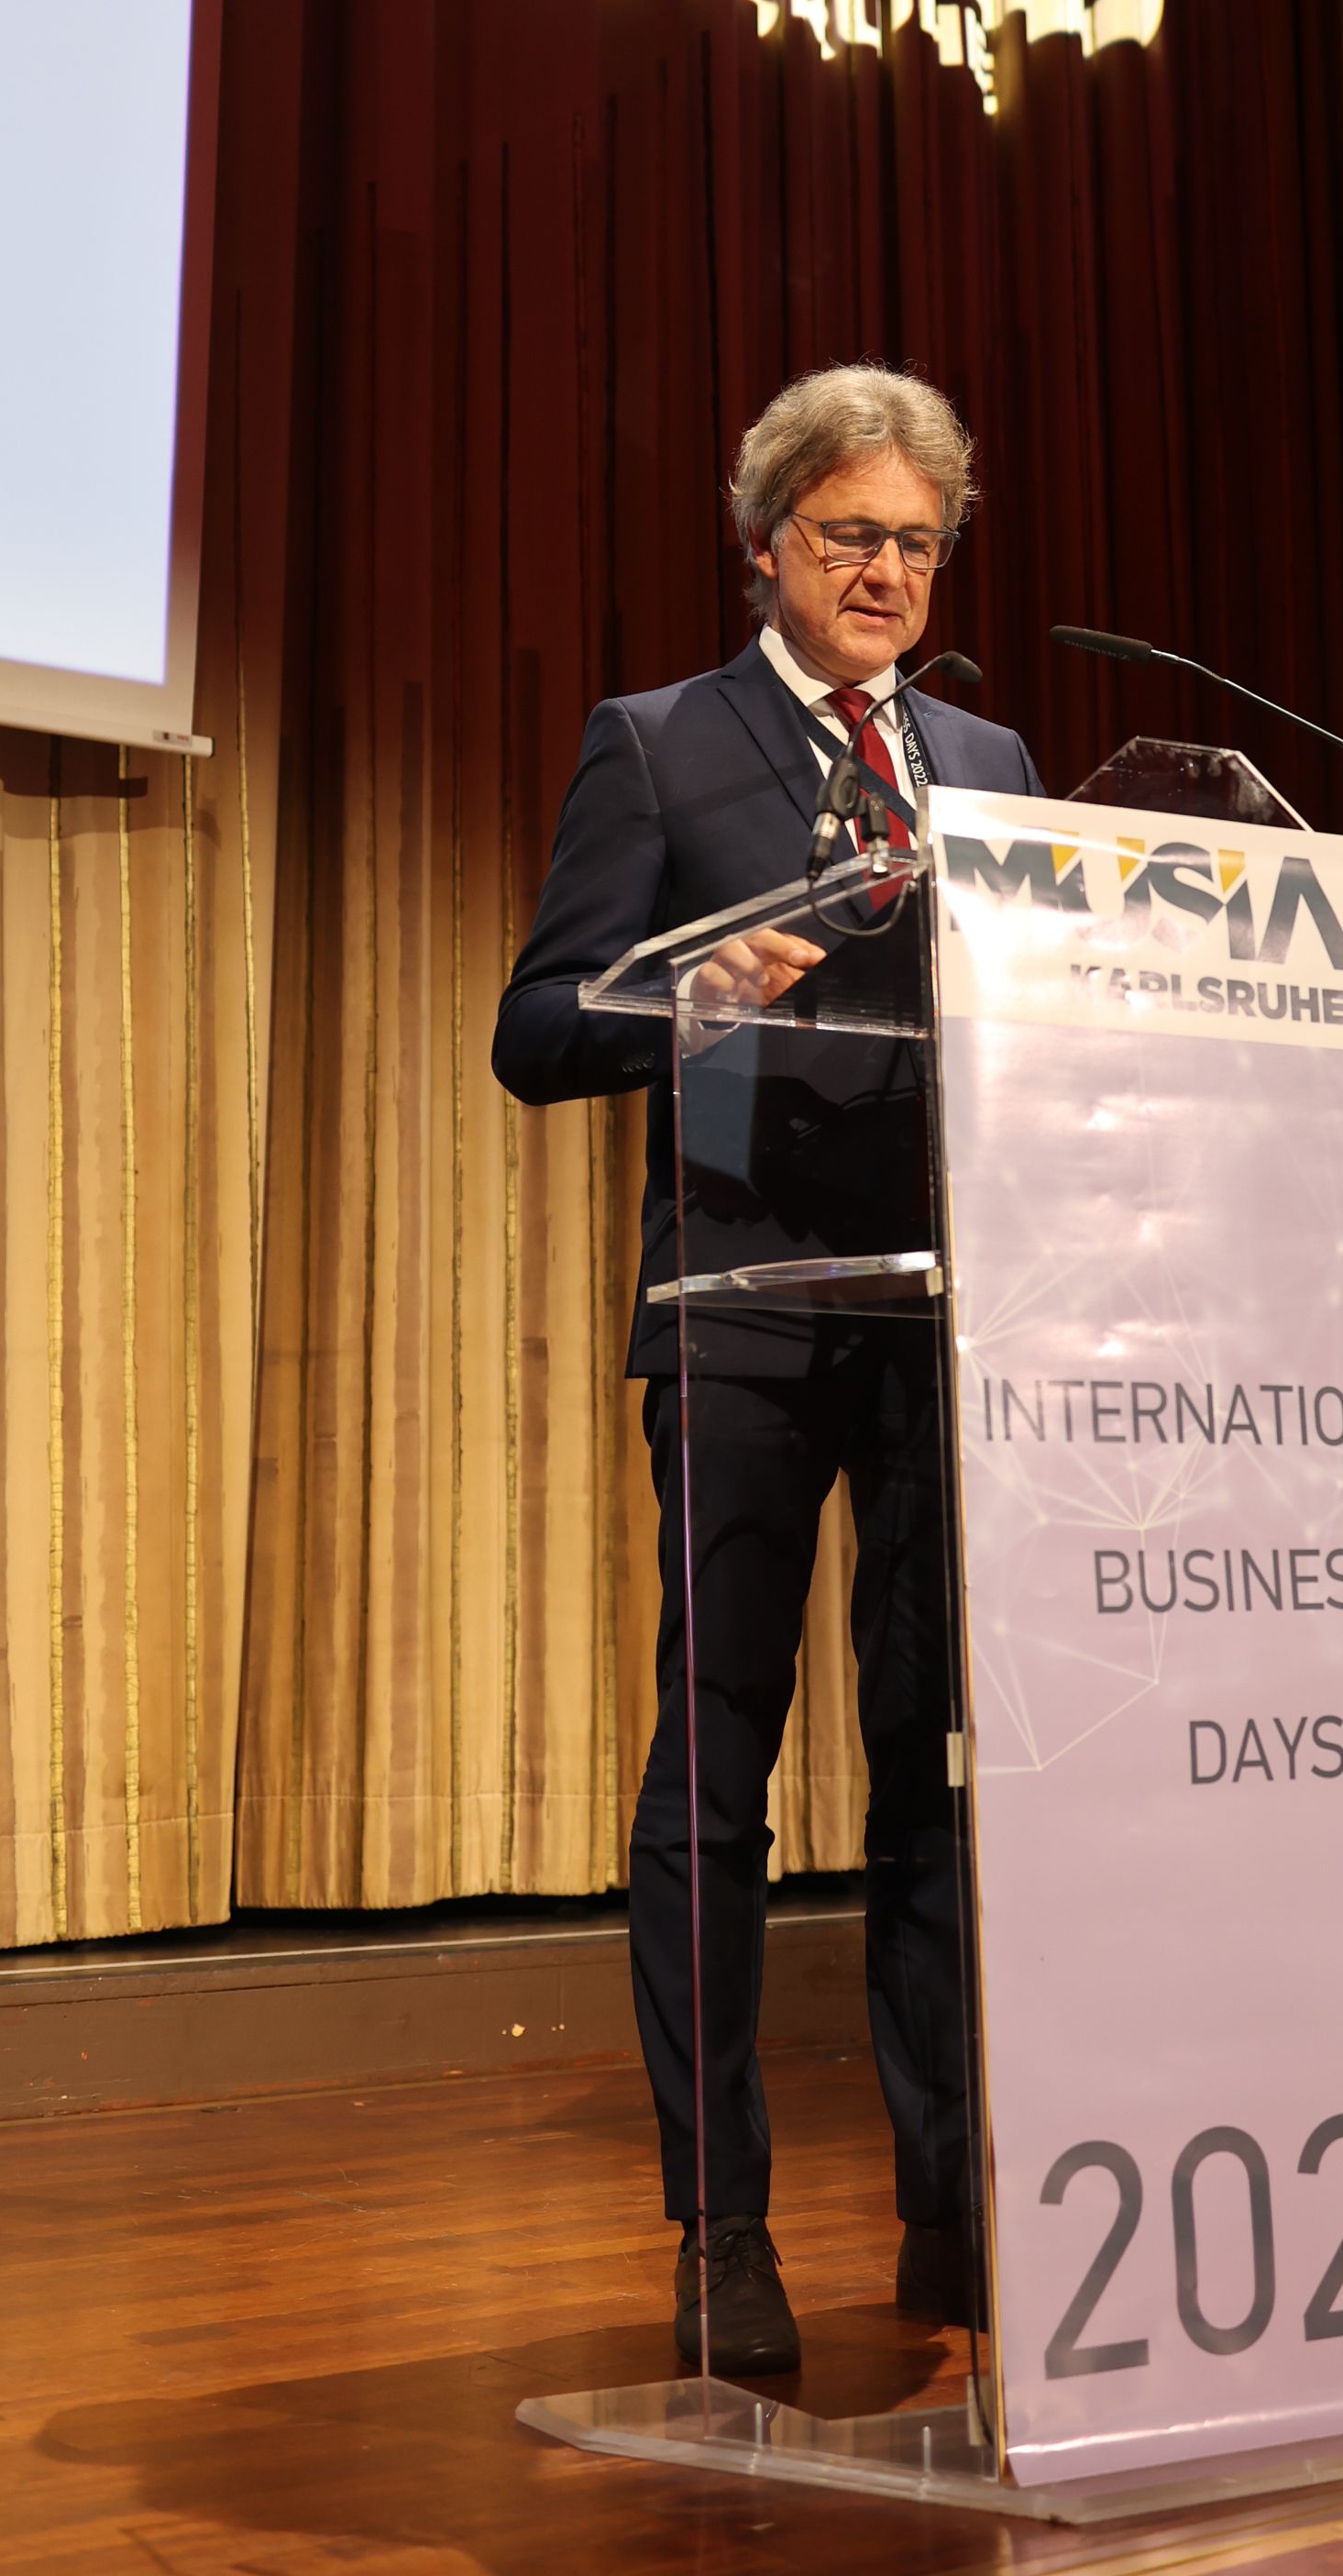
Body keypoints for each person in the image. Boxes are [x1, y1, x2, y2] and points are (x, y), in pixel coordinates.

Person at [493, 364, 1042, 2377]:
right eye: (850, 536)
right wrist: (685, 989)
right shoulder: (659, 744)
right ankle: (720, 2223)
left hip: (935, 1317)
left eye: (917, 543)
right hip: (738, 1315)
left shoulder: (987, 757)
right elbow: (535, 1029)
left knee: (935, 1765)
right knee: (718, 1768)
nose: (886, 571)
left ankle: (952, 2202)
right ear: (766, 542)